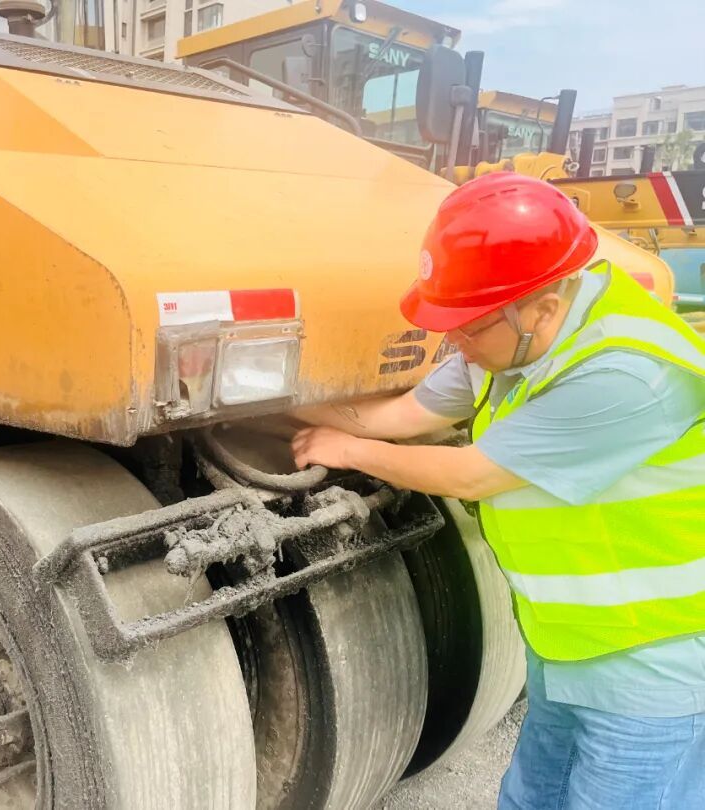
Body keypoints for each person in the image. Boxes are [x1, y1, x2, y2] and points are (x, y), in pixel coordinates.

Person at [291, 172, 705, 809]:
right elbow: (404, 415)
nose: (453, 342)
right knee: (530, 798)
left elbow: (473, 474)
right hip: (568, 642)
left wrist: (347, 451)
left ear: (543, 307)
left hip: (652, 666)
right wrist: (284, 411)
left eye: (469, 326)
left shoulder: (629, 374)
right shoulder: (513, 337)